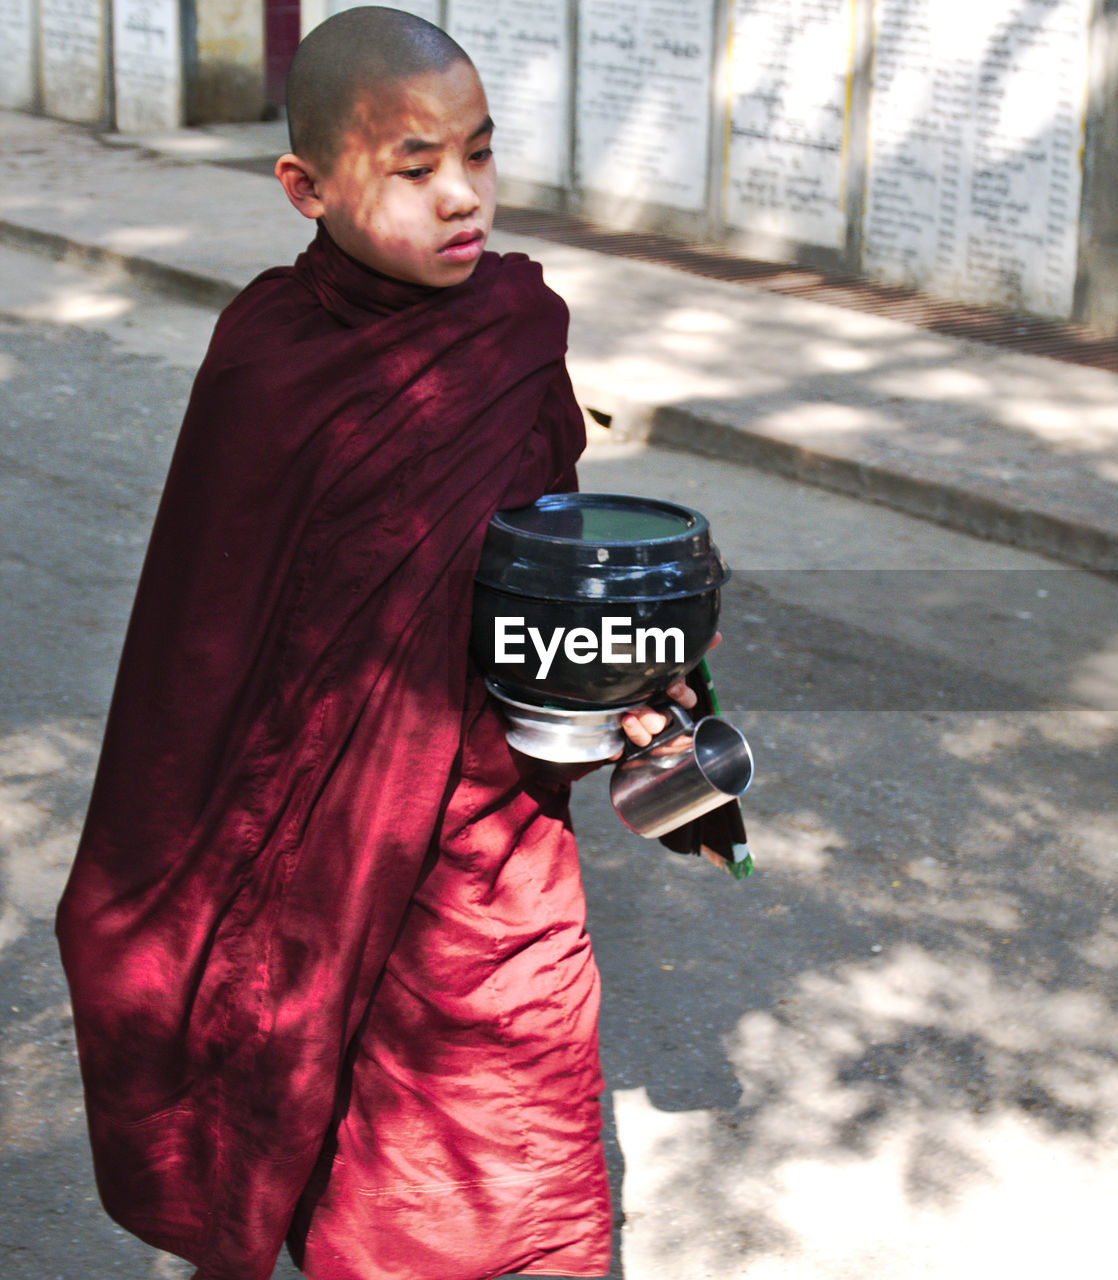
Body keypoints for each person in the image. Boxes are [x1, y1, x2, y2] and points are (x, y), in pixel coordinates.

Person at [55, 9, 696, 1278]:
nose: (461, 199)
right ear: (305, 187)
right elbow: (204, 641)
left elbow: (550, 558)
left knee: (492, 1169)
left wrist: (639, 671)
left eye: (478, 154)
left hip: (480, 842)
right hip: (302, 833)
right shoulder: (267, 359)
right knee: (289, 1103)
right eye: (413, 169)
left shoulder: (516, 330)